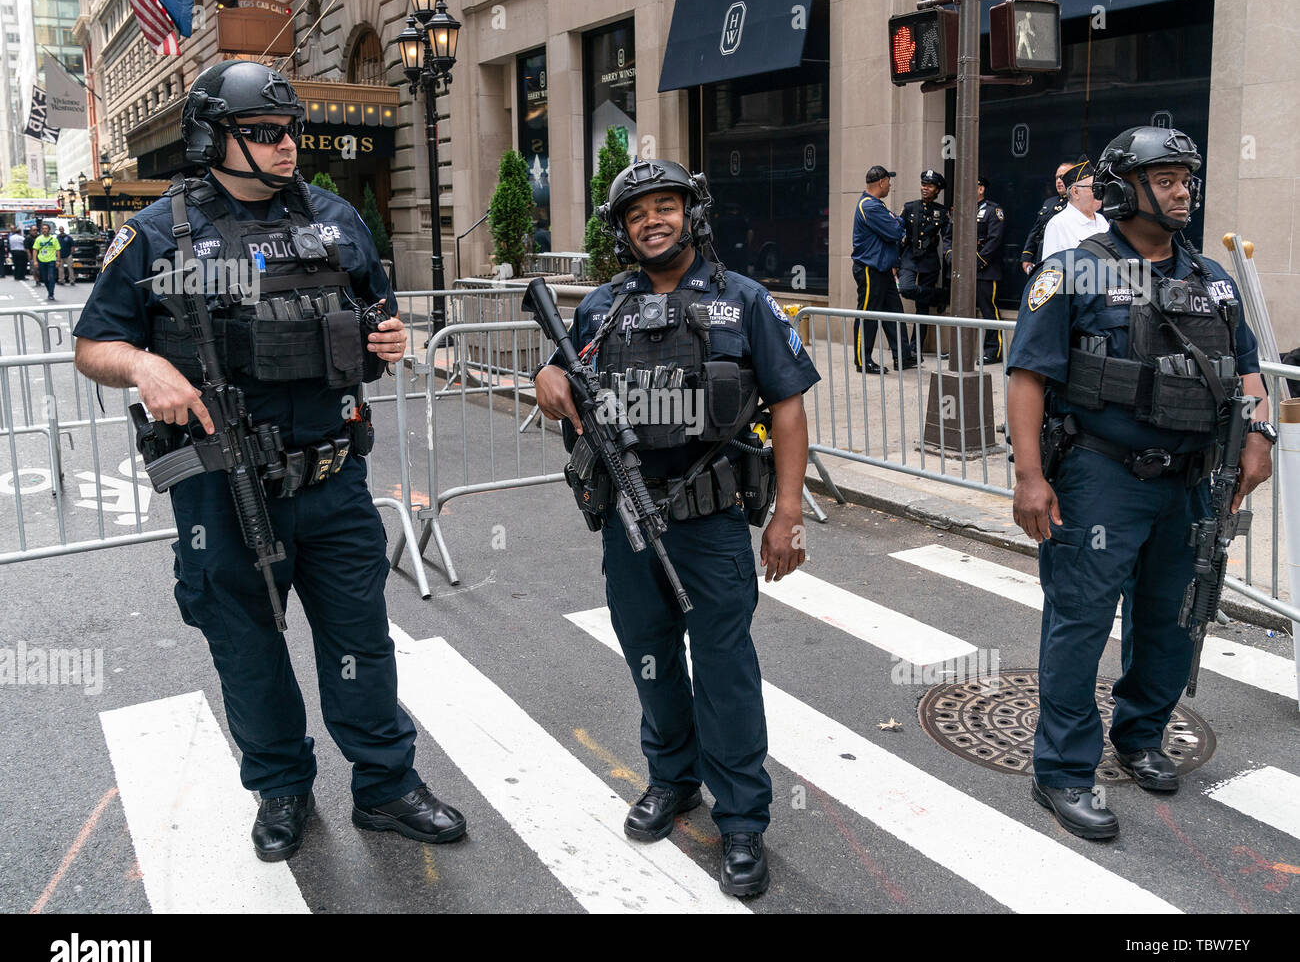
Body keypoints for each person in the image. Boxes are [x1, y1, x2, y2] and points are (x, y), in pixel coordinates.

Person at [73, 60, 466, 863]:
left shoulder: (336, 220)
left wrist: (390, 341)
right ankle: (282, 788)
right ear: (213, 138)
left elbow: (377, 320)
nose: (287, 145)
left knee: (360, 638)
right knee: (248, 645)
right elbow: (93, 344)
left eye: (289, 131)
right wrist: (144, 367)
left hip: (334, 482)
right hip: (224, 487)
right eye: (264, 133)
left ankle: (386, 786)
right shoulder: (158, 233)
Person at [533, 158, 820, 898]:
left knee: (724, 670)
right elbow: (559, 378)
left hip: (711, 522)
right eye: (637, 213)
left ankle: (744, 821)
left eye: (666, 206)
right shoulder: (600, 309)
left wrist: (787, 513)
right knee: (650, 657)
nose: (652, 220)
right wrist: (544, 377)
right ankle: (671, 780)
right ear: (623, 230)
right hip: (627, 518)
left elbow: (788, 405)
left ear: (692, 215)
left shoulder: (745, 301)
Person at [1006, 126, 1273, 841]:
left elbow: (1247, 369)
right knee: (1081, 621)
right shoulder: (1073, 271)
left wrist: (1260, 434)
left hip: (1191, 482)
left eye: (1188, 176)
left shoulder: (1212, 278)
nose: (1184, 189)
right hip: (1100, 476)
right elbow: (1029, 374)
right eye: (1167, 178)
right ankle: (1062, 770)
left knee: (1173, 616)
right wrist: (1030, 477)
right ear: (1126, 189)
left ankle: (1141, 734)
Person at [851, 165, 916, 373]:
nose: (890, 184)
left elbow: (895, 224)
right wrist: (897, 221)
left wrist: (895, 220)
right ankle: (863, 361)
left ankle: (902, 357)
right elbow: (896, 231)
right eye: (889, 180)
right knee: (868, 315)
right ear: (881, 182)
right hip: (871, 270)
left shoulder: (877, 205)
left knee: (895, 314)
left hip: (884, 269)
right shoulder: (870, 206)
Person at [943, 177, 1007, 364]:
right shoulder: (958, 210)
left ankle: (993, 351)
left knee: (989, 310)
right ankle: (958, 349)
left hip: (984, 270)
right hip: (960, 271)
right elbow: (947, 237)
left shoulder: (993, 211)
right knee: (959, 310)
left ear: (981, 189)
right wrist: (951, 258)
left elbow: (994, 240)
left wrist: (976, 263)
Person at [898, 169, 951, 360]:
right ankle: (938, 296)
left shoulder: (943, 212)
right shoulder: (910, 208)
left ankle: (915, 348)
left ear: (937, 189)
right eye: (923, 184)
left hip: (929, 260)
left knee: (922, 307)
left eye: (929, 186)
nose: (925, 188)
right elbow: (898, 235)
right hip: (910, 257)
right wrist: (896, 261)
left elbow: (948, 238)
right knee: (905, 288)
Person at [1040, 160, 1108, 259]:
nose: (1099, 192)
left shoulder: (1101, 220)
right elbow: (1052, 268)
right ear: (1075, 192)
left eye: (1100, 187)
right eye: (1093, 187)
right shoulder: (1058, 224)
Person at [1020, 160, 1077, 274]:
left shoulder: (1077, 203)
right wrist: (1027, 256)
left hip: (1063, 257)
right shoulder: (1049, 202)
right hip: (1042, 254)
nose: (1059, 181)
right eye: (1057, 178)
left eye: (1062, 177)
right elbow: (1036, 231)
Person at [32, 221, 61, 301]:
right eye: (43, 229)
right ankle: (49, 290)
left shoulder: (54, 239)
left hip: (51, 260)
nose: (44, 230)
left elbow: (58, 250)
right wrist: (35, 261)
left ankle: (51, 294)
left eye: (46, 229)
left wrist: (58, 260)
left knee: (51, 277)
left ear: (49, 230)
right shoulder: (38, 239)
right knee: (44, 278)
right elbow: (35, 250)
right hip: (41, 260)